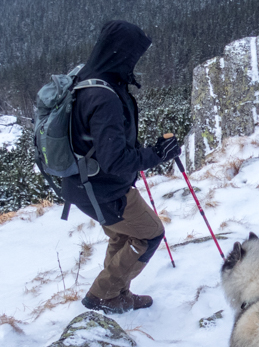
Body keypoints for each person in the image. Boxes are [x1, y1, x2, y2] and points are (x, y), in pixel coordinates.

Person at [62, 20, 181, 313]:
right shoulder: (103, 98)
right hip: (104, 189)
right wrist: (156, 154)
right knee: (150, 234)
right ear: (119, 53)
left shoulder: (87, 77)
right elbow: (114, 160)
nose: (134, 62)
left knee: (123, 235)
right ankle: (103, 295)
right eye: (132, 56)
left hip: (83, 185)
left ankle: (116, 292)